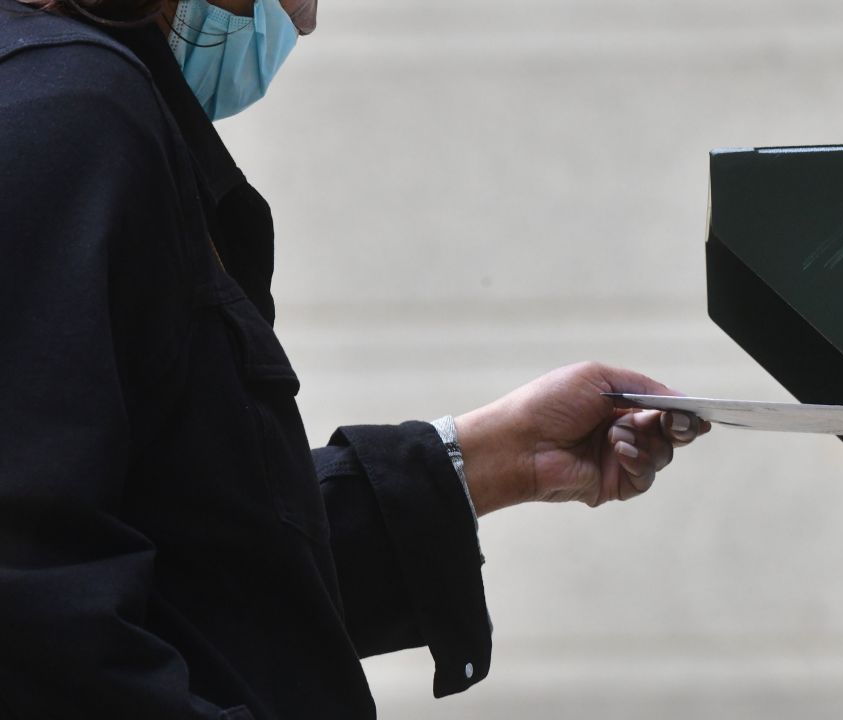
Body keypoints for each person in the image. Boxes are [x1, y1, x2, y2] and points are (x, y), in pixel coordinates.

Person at [0, 0, 710, 718]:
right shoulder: (66, 108)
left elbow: (195, 561)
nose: (304, 19)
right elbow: (35, 610)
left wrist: (489, 457)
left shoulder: (67, 99)